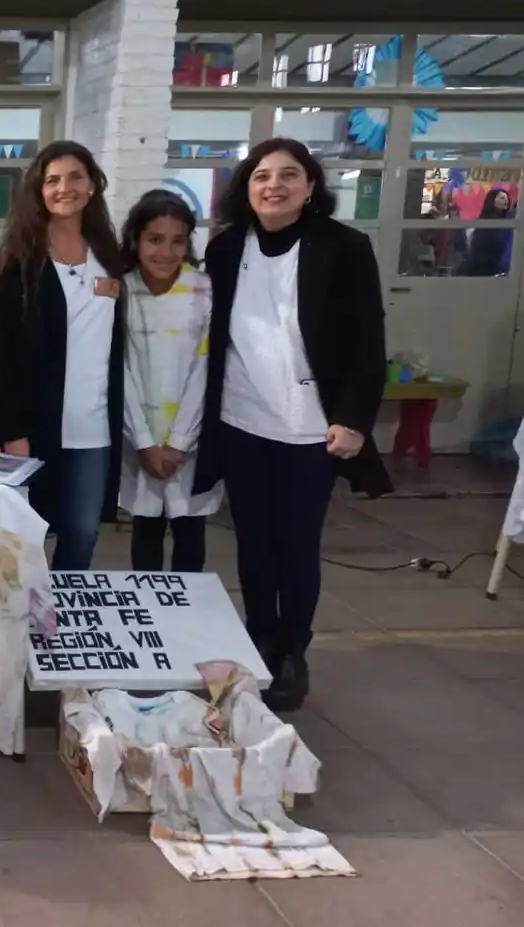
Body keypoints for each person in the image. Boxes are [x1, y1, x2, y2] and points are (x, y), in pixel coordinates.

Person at [192, 138, 390, 713]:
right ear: (246, 188)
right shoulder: (227, 249)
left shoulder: (343, 247)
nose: (273, 185)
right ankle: (259, 636)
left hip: (312, 427)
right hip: (242, 419)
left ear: (310, 186)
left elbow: (366, 342)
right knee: (254, 543)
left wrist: (353, 418)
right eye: (261, 176)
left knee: (297, 545)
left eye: (288, 175)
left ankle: (292, 651)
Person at [0, 141, 124, 571]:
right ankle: (24, 622)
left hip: (94, 429)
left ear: (93, 184)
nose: (65, 188)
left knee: (82, 532)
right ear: (39, 191)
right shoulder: (18, 261)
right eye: (53, 180)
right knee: (27, 533)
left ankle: (63, 625)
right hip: (35, 428)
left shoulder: (109, 255)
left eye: (76, 177)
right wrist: (12, 430)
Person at [119, 190, 221, 573]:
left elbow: (205, 369)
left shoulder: (205, 291)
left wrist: (179, 442)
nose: (166, 252)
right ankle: (153, 618)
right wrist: (144, 442)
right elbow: (122, 373)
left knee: (190, 531)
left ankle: (187, 621)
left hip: (189, 444)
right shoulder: (123, 291)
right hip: (138, 440)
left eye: (178, 241)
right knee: (145, 529)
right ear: (135, 240)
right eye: (155, 239)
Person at [466, 187, 514, 277]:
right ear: (492, 200)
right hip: (481, 266)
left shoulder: (509, 221)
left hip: (500, 267)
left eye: (507, 198)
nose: (506, 200)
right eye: (502, 198)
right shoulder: (483, 221)